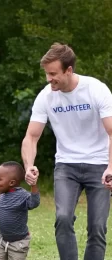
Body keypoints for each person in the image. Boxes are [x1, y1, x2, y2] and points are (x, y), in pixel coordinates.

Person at [21, 43, 112, 260]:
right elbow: (31, 136)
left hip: (99, 164)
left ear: (68, 70)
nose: (48, 79)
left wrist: (111, 166)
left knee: (97, 226)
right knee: (62, 218)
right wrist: (29, 165)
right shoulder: (46, 96)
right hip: (66, 165)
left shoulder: (96, 89)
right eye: (46, 73)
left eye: (53, 74)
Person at [0, 161, 40, 260]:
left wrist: (33, 185)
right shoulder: (3, 195)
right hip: (1, 240)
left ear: (11, 183)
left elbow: (34, 203)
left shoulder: (22, 195)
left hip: (18, 243)